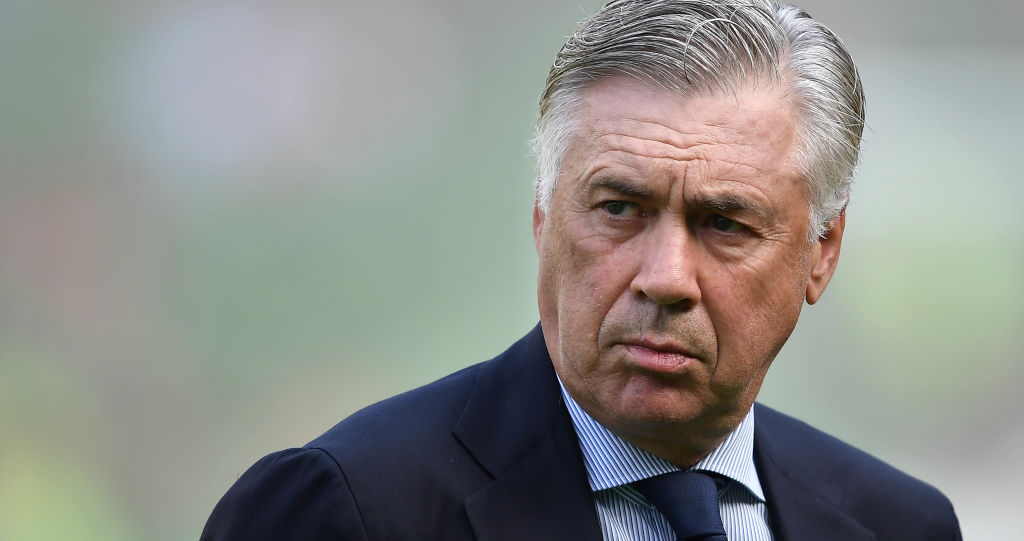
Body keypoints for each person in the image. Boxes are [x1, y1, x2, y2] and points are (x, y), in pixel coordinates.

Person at [201, 1, 962, 539]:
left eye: (724, 223)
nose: (665, 277)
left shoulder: (899, 523)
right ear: (542, 216)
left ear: (821, 250)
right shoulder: (349, 508)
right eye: (620, 208)